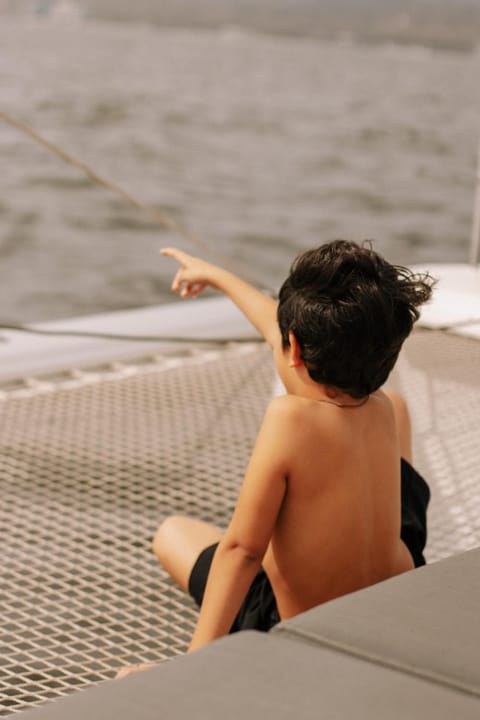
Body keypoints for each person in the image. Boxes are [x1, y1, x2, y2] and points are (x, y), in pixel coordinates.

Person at [117, 239, 432, 675]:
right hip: (392, 596)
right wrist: (218, 276)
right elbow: (278, 330)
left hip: (309, 632)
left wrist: (188, 673)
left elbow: (242, 552)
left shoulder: (289, 418)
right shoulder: (376, 401)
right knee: (397, 407)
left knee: (172, 533)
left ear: (295, 349)